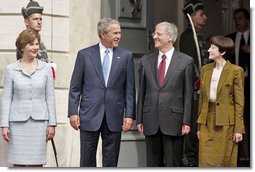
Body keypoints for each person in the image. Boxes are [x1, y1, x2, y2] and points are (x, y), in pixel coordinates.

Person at [68, 18, 136, 167]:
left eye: (120, 32)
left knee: (111, 162)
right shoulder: (84, 55)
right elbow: (75, 87)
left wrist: (129, 115)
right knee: (87, 160)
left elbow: (129, 89)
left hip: (114, 115)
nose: (119, 36)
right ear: (103, 34)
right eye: (115, 33)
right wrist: (73, 112)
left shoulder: (126, 56)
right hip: (89, 115)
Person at [137, 22, 194, 167]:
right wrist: (139, 119)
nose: (154, 36)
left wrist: (186, 121)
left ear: (170, 37)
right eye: (154, 33)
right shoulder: (145, 61)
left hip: (174, 120)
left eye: (158, 34)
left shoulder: (186, 61)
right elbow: (142, 91)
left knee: (172, 164)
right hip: (150, 120)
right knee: (152, 164)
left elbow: (188, 94)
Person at [0, 29, 56, 167]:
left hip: (40, 123)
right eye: (31, 44)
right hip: (17, 124)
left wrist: (52, 123)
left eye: (37, 44)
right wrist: (4, 125)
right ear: (22, 46)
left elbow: (50, 96)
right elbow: (6, 98)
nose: (36, 47)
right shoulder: (11, 69)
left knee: (37, 165)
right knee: (18, 165)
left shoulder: (46, 69)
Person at [197, 36, 245, 167]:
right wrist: (199, 126)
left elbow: (239, 102)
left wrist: (238, 129)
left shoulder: (236, 71)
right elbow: (202, 99)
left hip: (226, 124)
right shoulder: (205, 69)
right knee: (204, 162)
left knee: (224, 162)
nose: (209, 50)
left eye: (213, 48)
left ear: (222, 52)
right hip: (206, 122)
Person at [179, 0, 208, 166]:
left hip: (202, 90)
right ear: (193, 17)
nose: (205, 17)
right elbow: (192, 66)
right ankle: (188, 159)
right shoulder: (188, 37)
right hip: (194, 90)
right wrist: (199, 82)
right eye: (201, 15)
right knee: (192, 122)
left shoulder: (199, 36)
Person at [226, 8, 250, 165]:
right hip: (235, 84)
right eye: (235, 18)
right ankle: (239, 157)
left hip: (251, 83)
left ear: (247, 19)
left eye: (240, 18)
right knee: (236, 118)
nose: (237, 21)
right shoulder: (230, 38)